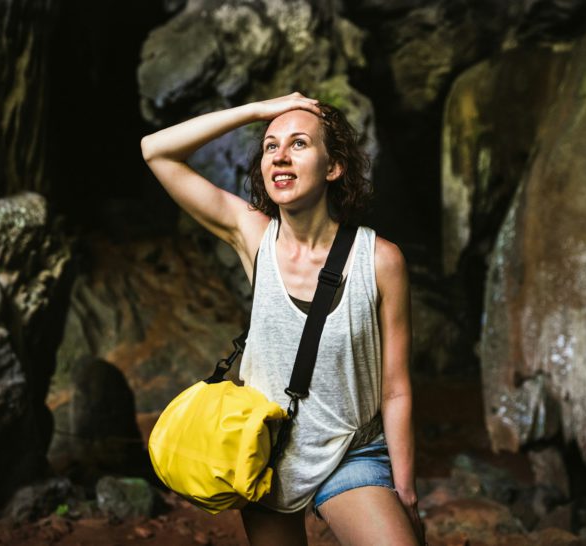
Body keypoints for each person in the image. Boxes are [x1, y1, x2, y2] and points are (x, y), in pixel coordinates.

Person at [141, 92, 424, 546]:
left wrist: (406, 490)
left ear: (333, 167)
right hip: (269, 453)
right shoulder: (253, 236)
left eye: (299, 144)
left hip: (350, 450)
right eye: (271, 146)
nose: (280, 156)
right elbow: (155, 150)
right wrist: (257, 111)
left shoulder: (380, 261)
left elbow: (395, 388)